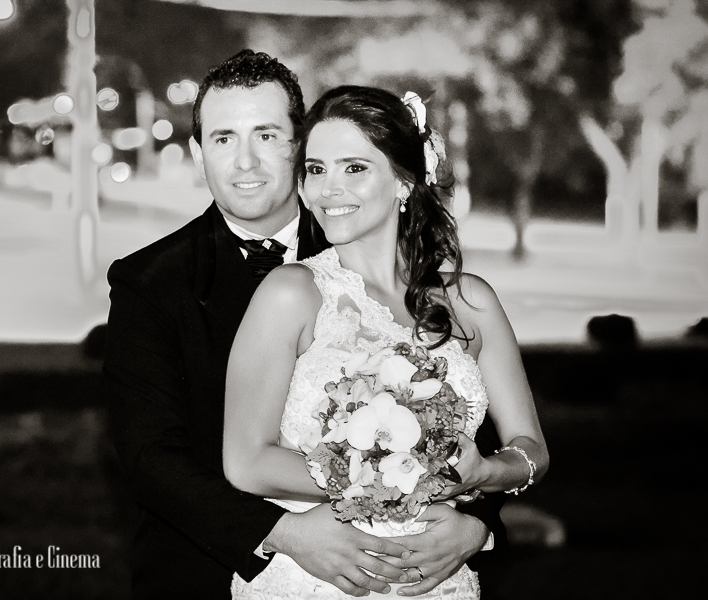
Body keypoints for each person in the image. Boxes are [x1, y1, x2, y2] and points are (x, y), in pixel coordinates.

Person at [103, 51, 506, 599]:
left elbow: (468, 420)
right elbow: (149, 457)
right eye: (223, 138)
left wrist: (478, 527)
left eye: (267, 135)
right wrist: (284, 533)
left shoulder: (366, 240)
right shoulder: (150, 282)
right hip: (208, 573)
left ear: (301, 145)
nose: (246, 162)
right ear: (198, 154)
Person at [224, 85, 549, 599]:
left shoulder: (473, 302)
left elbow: (531, 449)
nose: (328, 189)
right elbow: (246, 461)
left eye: (353, 168)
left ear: (403, 181)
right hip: (316, 579)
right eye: (315, 169)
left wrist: (483, 472)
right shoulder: (290, 294)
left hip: (440, 579)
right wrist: (390, 481)